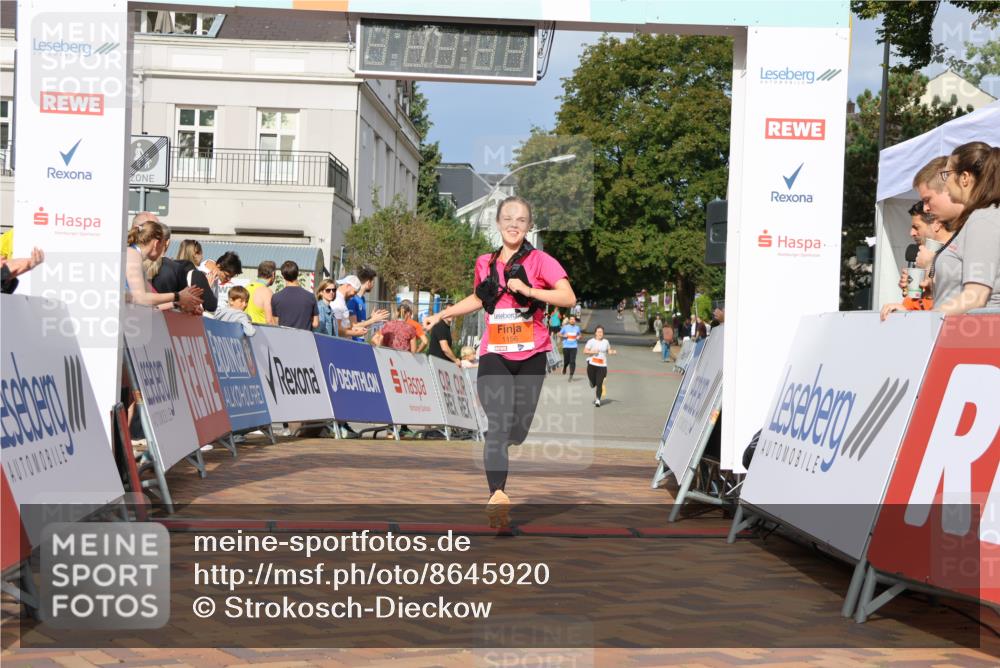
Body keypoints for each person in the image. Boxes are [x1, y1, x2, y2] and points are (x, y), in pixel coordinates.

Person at [423, 195, 575, 528]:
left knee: (516, 431)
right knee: (498, 425)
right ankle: (498, 498)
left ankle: (501, 450)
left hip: (532, 355)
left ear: (529, 225)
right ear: (497, 222)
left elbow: (568, 297)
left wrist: (531, 291)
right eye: (507, 217)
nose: (513, 224)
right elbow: (479, 298)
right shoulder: (485, 262)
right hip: (494, 355)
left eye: (521, 219)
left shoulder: (541, 261)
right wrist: (442, 314)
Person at [933, 141, 1000, 313]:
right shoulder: (984, 216)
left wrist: (925, 322)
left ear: (964, 178)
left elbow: (975, 297)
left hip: (978, 334)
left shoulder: (983, 219)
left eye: (946, 174)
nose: (945, 183)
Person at [125, 219, 202, 311]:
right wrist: (178, 296)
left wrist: (178, 303)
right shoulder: (133, 254)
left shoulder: (134, 255)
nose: (162, 250)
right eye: (163, 245)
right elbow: (141, 298)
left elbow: (152, 305)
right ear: (156, 243)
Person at [271, 260, 318, 330]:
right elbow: (315, 324)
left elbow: (276, 323)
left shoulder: (276, 297)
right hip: (304, 338)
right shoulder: (310, 297)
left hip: (284, 338)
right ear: (297, 273)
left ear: (283, 275)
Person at [584, 325, 616, 407]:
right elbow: (585, 351)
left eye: (601, 332)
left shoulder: (606, 342)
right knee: (594, 383)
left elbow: (608, 351)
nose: (600, 333)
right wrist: (593, 352)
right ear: (595, 333)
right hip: (592, 365)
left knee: (599, 383)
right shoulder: (591, 341)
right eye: (598, 332)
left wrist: (612, 352)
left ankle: (598, 399)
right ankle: (592, 382)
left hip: (602, 366)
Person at [347, 266, 381, 343]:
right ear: (368, 283)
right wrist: (373, 320)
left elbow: (362, 323)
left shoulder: (362, 299)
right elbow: (354, 325)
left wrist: (371, 318)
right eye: (373, 282)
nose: (373, 285)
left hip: (360, 340)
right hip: (353, 342)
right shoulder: (353, 300)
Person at [558, 315, 581, 381]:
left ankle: (571, 374)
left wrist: (579, 337)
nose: (572, 320)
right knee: (566, 361)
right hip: (566, 347)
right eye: (571, 319)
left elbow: (579, 334)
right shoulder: (565, 327)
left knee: (572, 361)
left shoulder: (577, 328)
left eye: (573, 319)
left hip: (574, 347)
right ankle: (565, 367)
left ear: (575, 321)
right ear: (569, 320)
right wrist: (563, 335)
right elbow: (559, 334)